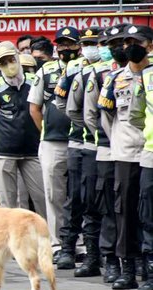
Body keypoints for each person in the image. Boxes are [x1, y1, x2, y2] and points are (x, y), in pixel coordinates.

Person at [98, 24, 152, 290]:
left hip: (149, 150)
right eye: (127, 42)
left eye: (137, 42)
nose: (130, 46)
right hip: (127, 153)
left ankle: (147, 262)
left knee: (148, 213)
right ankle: (128, 266)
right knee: (125, 212)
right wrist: (120, 140)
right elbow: (106, 117)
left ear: (149, 46)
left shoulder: (151, 75)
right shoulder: (114, 78)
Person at [28, 27, 81, 260]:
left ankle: (80, 243)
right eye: (62, 45)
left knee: (81, 193)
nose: (66, 48)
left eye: (70, 44)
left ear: (79, 46)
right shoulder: (47, 70)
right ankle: (58, 242)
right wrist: (46, 130)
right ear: (56, 47)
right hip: (52, 141)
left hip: (82, 141)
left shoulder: (86, 68)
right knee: (53, 193)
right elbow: (34, 108)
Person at [0, 41, 46, 215]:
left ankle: (51, 238)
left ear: (18, 57)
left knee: (42, 197)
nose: (9, 65)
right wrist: (2, 134)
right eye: (3, 62)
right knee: (8, 203)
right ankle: (11, 241)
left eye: (11, 59)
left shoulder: (35, 81)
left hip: (33, 149)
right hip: (3, 151)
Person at [54, 27, 103, 270]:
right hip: (79, 141)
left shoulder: (113, 68)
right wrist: (85, 123)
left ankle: (101, 252)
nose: (91, 48)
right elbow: (62, 101)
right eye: (87, 43)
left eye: (95, 43)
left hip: (107, 144)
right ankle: (67, 248)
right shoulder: (74, 69)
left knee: (99, 200)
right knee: (75, 198)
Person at [84, 24, 130, 283]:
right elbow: (92, 115)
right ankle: (111, 260)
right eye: (111, 45)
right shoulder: (102, 75)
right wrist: (114, 139)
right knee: (109, 209)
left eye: (121, 44)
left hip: (139, 152)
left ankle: (137, 262)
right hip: (108, 151)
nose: (118, 49)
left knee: (135, 209)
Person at [133, 30, 153, 290]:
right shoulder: (146, 76)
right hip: (151, 153)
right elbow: (136, 115)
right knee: (149, 216)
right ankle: (150, 273)